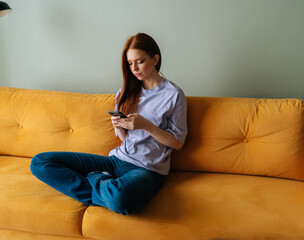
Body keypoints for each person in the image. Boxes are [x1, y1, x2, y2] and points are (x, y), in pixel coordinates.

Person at [30, 33, 188, 215]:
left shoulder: (174, 94)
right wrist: (119, 126)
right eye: (130, 63)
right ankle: (107, 187)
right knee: (40, 162)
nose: (134, 68)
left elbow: (178, 143)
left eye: (140, 61)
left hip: (147, 169)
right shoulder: (125, 92)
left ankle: (96, 178)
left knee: (121, 200)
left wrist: (147, 125)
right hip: (117, 161)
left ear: (155, 59)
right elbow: (124, 139)